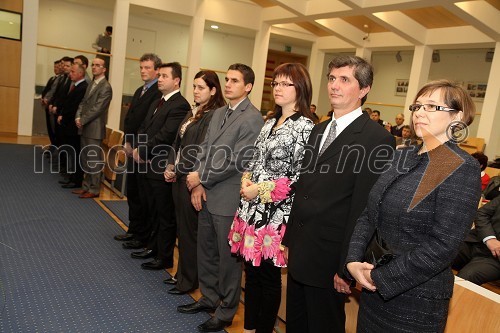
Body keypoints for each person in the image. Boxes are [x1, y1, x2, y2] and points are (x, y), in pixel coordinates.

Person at [346, 79, 482, 332]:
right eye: (417, 106)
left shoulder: (457, 165)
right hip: (373, 288)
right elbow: (369, 213)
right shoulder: (403, 155)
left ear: (458, 116)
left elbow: (443, 246)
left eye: (431, 106)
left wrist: (379, 277)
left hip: (415, 300)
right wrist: (354, 260)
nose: (419, 112)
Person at [282, 55, 395, 333]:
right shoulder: (318, 130)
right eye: (332, 78)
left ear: (364, 89)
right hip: (301, 249)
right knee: (296, 323)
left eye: (344, 80)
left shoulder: (376, 138)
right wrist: (289, 240)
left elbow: (364, 209)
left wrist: (347, 265)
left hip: (332, 256)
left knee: (324, 325)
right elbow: (303, 188)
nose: (334, 85)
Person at [228, 63, 314, 333]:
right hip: (251, 209)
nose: (278, 88)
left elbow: (300, 177)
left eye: (286, 84)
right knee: (251, 273)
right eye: (275, 83)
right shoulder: (269, 123)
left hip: (277, 214)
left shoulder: (306, 127)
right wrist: (246, 179)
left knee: (268, 275)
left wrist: (260, 189)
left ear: (299, 89)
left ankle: (263, 329)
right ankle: (249, 327)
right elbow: (254, 159)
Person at [178, 63, 264, 332]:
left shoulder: (252, 117)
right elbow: (204, 148)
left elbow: (238, 160)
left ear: (248, 86)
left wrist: (201, 178)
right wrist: (199, 183)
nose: (228, 84)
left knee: (227, 259)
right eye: (226, 79)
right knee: (206, 251)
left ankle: (227, 310)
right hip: (207, 192)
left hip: (228, 196)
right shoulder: (218, 113)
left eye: (235, 81)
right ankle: (209, 297)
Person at [164, 70, 226, 295]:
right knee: (182, 229)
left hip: (192, 179)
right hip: (179, 176)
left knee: (190, 233)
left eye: (201, 87)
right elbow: (177, 143)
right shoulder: (194, 111)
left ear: (213, 90)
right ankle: (182, 274)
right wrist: (170, 165)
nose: (196, 91)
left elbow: (200, 151)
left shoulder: (213, 115)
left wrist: (179, 169)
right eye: (194, 87)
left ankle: (189, 280)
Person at [132, 62, 190, 270]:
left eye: (165, 76)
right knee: (152, 210)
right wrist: (139, 147)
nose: (160, 79)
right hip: (147, 161)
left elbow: (165, 135)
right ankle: (152, 247)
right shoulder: (158, 101)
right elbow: (145, 128)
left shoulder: (180, 104)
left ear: (177, 80)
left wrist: (143, 150)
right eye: (160, 75)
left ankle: (164, 256)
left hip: (159, 165)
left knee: (164, 215)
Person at [113, 53, 162, 250]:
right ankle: (133, 229)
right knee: (132, 192)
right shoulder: (139, 90)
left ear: (157, 70)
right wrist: (126, 140)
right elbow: (130, 118)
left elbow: (147, 124)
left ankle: (141, 235)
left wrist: (137, 146)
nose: (143, 71)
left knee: (142, 196)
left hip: (143, 151)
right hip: (132, 145)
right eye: (141, 67)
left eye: (147, 67)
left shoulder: (157, 93)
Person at [72, 57, 113, 198]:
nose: (94, 67)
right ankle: (86, 186)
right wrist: (78, 117)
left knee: (93, 161)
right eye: (93, 65)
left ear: (104, 69)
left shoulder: (106, 87)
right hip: (84, 126)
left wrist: (82, 120)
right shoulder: (91, 84)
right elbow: (83, 102)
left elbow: (98, 108)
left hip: (94, 129)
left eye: (98, 65)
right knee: (85, 159)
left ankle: (94, 190)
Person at [453, 196, 500, 285]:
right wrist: (490, 238)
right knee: (437, 254)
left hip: (494, 260)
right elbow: (481, 213)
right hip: (475, 242)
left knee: (466, 277)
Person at [57, 63, 89, 189]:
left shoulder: (83, 87)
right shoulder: (75, 86)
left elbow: (74, 107)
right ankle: (71, 177)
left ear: (81, 73)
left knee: (75, 153)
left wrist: (64, 116)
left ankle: (76, 180)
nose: (70, 74)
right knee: (71, 153)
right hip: (68, 125)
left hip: (73, 126)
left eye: (73, 72)